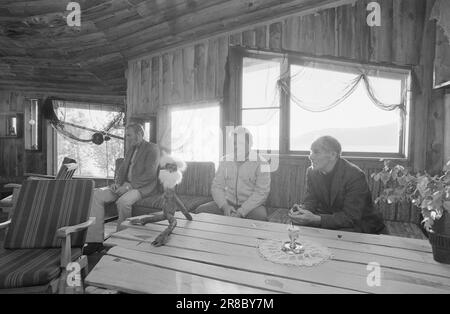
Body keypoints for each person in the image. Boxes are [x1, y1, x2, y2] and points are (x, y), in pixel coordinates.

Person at [84, 123, 160, 254]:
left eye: (129, 135)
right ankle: (94, 242)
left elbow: (150, 174)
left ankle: (120, 241)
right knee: (96, 195)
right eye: (126, 136)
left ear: (139, 134)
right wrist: (117, 183)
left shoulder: (152, 149)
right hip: (124, 185)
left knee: (123, 202)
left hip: (142, 187)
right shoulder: (130, 149)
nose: (127, 138)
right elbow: (122, 169)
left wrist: (128, 187)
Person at [289, 135, 385, 233]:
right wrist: (302, 210)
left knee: (344, 232)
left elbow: (351, 217)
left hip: (360, 223)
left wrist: (316, 219)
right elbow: (311, 200)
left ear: (333, 155)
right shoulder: (311, 172)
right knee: (297, 223)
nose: (310, 156)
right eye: (311, 152)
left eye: (316, 152)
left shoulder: (355, 175)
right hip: (332, 219)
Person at [195, 126, 271, 221]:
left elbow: (261, 193)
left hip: (252, 207)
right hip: (227, 203)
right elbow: (217, 186)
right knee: (200, 212)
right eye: (234, 143)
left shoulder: (263, 163)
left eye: (241, 143)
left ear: (250, 143)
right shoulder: (224, 161)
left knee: (261, 219)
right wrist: (224, 206)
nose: (237, 146)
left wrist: (241, 211)